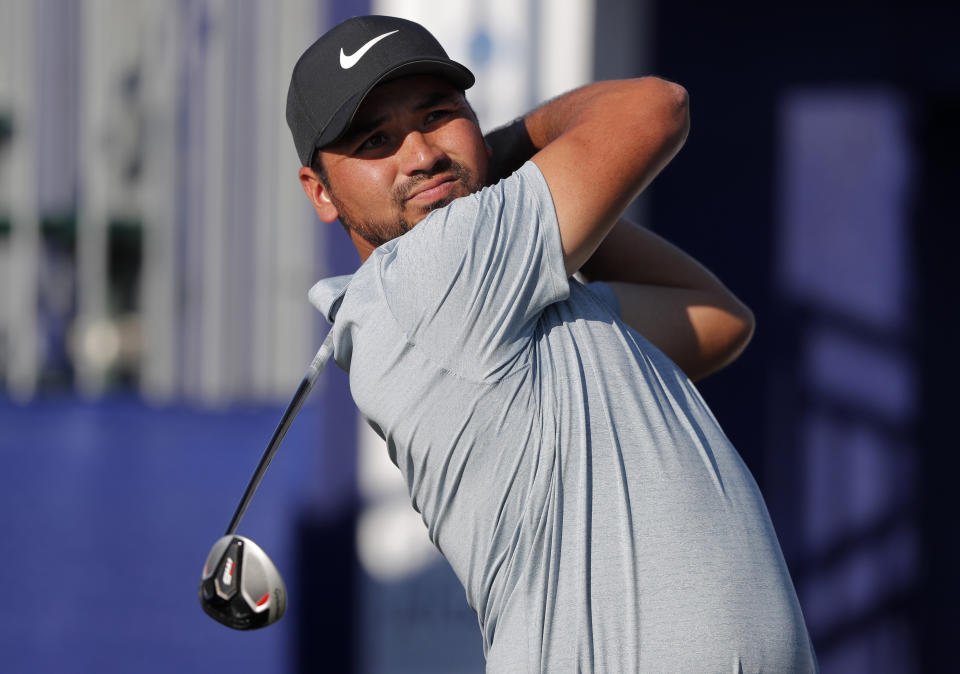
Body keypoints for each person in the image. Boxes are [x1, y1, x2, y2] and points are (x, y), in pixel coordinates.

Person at [287, 14, 818, 673]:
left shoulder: (503, 304)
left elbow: (715, 323)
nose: (422, 155)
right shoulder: (427, 281)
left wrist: (514, 173)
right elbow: (656, 106)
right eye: (376, 141)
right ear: (321, 193)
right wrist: (517, 147)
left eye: (439, 115)